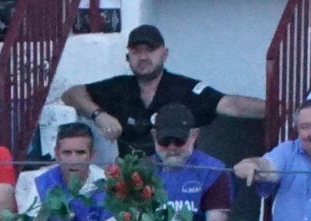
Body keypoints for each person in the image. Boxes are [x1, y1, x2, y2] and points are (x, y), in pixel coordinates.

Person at [60, 24, 264, 159]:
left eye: (150, 50)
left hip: (179, 180)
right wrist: (99, 116)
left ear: (164, 54)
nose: (143, 57)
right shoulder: (119, 87)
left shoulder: (185, 88)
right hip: (130, 186)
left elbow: (232, 105)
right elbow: (71, 94)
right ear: (128, 56)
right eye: (136, 51)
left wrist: (281, 107)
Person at [18, 121, 108, 221]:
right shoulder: (42, 183)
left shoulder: (106, 183)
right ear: (57, 154)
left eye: (80, 153)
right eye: (67, 152)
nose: (73, 160)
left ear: (92, 155)